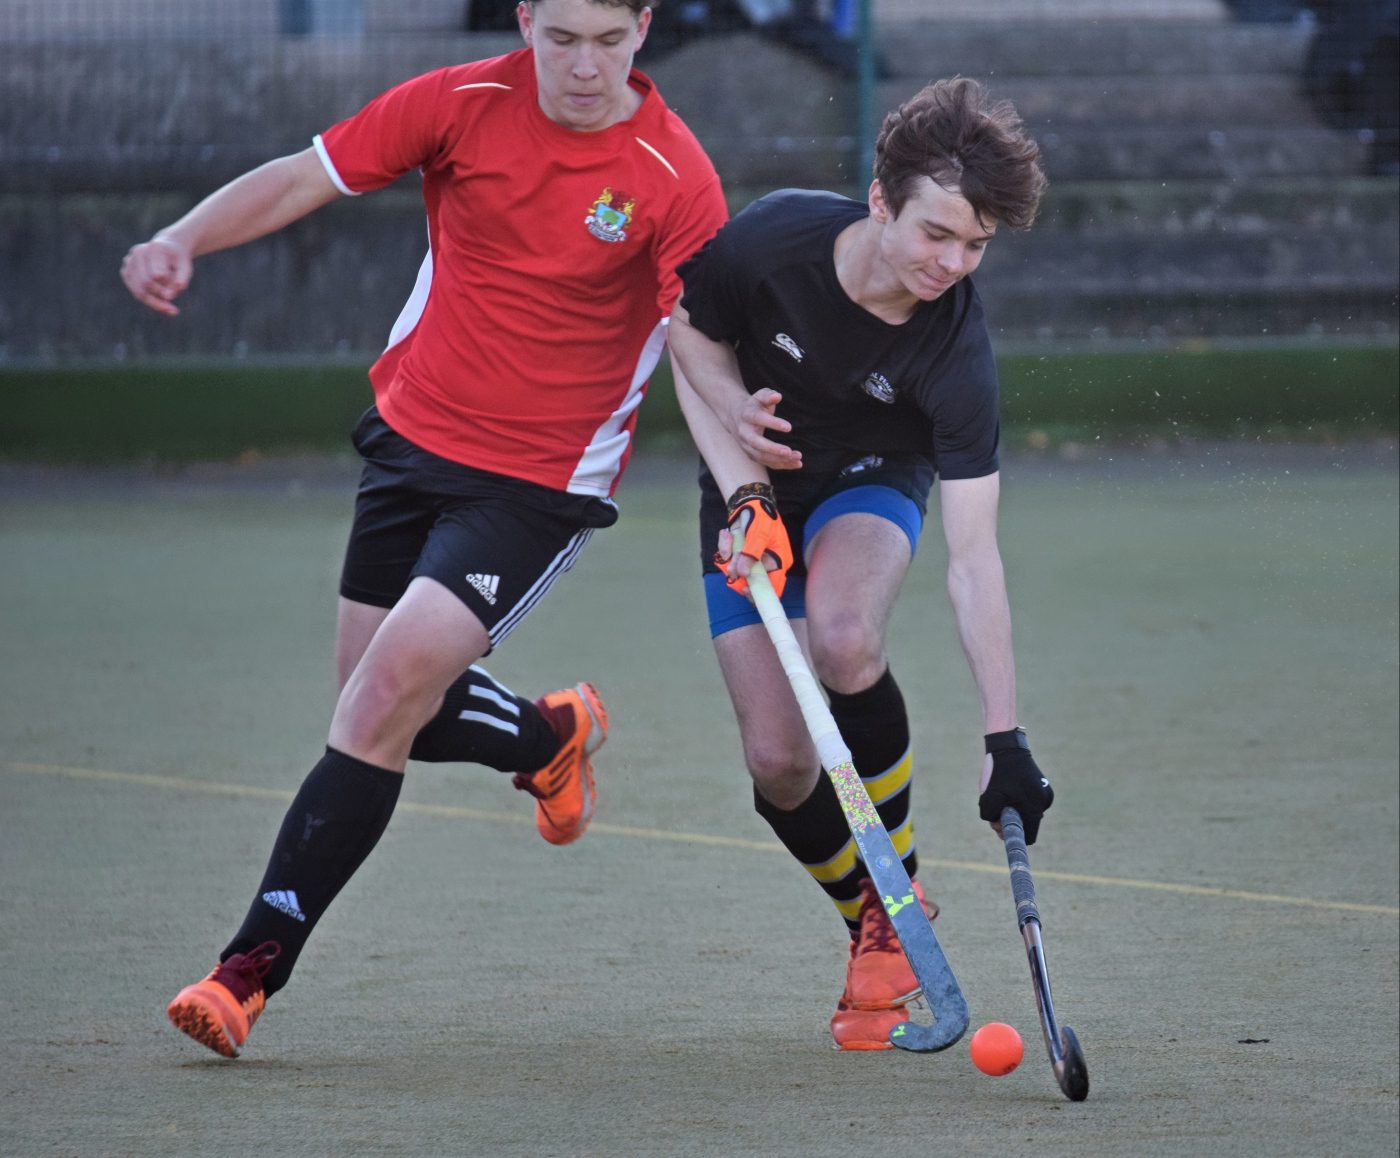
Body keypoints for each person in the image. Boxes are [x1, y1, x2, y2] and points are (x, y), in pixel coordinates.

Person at [119, 0, 730, 1058]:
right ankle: (545, 738)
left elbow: (696, 340)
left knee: (381, 698)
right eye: (562, 38)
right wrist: (181, 237)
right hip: (410, 446)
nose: (585, 67)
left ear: (643, 26)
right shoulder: (460, 102)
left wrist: (745, 475)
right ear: (526, 19)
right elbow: (306, 175)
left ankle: (246, 972)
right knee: (382, 705)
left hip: (537, 484)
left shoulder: (674, 172)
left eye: (608, 40)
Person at [666, 77, 1057, 1050]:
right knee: (777, 761)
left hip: (871, 481)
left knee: (843, 638)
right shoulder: (773, 241)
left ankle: (899, 883)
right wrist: (741, 468)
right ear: (881, 200)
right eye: (936, 233)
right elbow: (687, 335)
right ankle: (871, 918)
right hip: (749, 484)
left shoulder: (955, 351)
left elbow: (973, 558)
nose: (951, 264)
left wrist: (1004, 737)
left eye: (975, 246)